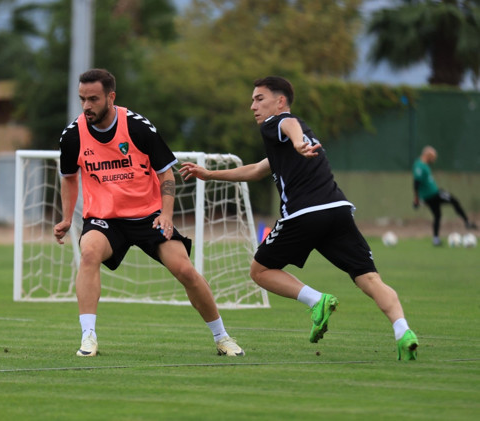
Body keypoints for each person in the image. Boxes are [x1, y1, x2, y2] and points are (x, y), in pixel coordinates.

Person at [179, 76, 419, 360]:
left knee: (260, 271)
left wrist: (296, 141)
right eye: (252, 100)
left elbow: (287, 124)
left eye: (259, 99)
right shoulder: (296, 140)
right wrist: (209, 174)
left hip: (304, 213)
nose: (252, 106)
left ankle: (317, 300)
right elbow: (257, 170)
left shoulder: (278, 124)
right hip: (338, 211)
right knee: (368, 278)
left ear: (280, 102)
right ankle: (403, 331)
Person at [53, 69, 244, 357]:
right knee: (89, 253)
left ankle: (222, 337)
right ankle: (88, 337)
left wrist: (166, 215)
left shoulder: (137, 127)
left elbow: (167, 175)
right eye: (82, 99)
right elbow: (68, 177)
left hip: (149, 216)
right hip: (105, 220)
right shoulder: (72, 136)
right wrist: (68, 218)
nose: (86, 106)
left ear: (111, 97)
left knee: (185, 270)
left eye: (93, 99)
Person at [413, 146, 476, 246]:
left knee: (437, 216)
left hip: (431, 195)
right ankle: (467, 222)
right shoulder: (420, 166)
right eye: (433, 157)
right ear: (427, 155)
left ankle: (436, 239)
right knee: (454, 200)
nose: (433, 160)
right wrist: (416, 199)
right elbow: (416, 183)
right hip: (433, 194)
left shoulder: (423, 165)